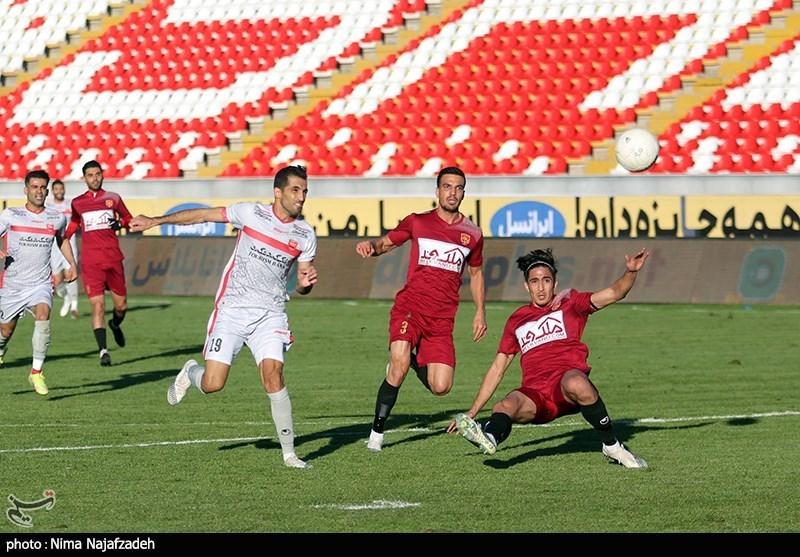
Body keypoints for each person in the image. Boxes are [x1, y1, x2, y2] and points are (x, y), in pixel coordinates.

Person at [129, 165, 317, 469]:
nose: (302, 197)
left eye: (305, 191)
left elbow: (302, 283)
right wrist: (155, 221)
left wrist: (304, 286)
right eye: (296, 190)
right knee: (213, 384)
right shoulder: (250, 214)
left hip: (270, 314)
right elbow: (202, 215)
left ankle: (289, 454)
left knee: (274, 375)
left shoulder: (305, 234)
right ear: (278, 192)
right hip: (232, 310)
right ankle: (191, 372)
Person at [450, 247, 650, 469]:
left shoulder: (570, 303)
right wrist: (472, 411)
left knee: (576, 381)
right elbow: (498, 368)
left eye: (546, 280)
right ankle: (489, 436)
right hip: (537, 397)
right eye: (534, 281)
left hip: (565, 387)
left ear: (555, 284)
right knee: (504, 405)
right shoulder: (517, 320)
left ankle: (612, 446)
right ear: (527, 286)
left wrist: (631, 272)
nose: (541, 287)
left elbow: (615, 292)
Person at [356, 166, 486, 452]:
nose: (452, 192)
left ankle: (414, 360)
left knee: (441, 387)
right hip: (410, 309)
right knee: (397, 366)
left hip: (441, 320)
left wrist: (480, 311)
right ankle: (377, 434)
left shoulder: (472, 234)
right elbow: (387, 242)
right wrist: (372, 245)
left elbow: (476, 274)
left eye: (458, 187)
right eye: (447, 187)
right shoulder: (418, 222)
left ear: (464, 192)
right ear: (437, 191)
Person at [0, 170, 77, 395]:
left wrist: (72, 264)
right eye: (35, 187)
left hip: (40, 284)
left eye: (43, 187)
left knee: (44, 315)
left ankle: (36, 372)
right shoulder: (10, 215)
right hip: (13, 286)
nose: (39, 191)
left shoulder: (55, 217)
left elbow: (62, 240)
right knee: (6, 328)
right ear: (26, 190)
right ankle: (1, 347)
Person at [65, 160, 132, 366]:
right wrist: (63, 236)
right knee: (98, 306)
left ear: (102, 175)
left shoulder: (113, 198)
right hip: (91, 263)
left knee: (121, 306)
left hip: (113, 259)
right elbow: (75, 222)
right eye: (90, 175)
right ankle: (103, 350)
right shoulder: (77, 202)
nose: (94, 178)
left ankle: (115, 324)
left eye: (97, 174)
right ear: (84, 178)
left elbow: (128, 218)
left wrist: (120, 223)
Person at [47, 179, 80, 319]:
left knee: (70, 275)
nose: (59, 191)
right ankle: (66, 297)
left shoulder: (70, 205)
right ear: (52, 191)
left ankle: (74, 306)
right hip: (54, 247)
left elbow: (77, 221)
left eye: (61, 189)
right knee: (57, 280)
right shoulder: (48, 207)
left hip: (69, 244)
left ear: (64, 190)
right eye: (56, 189)